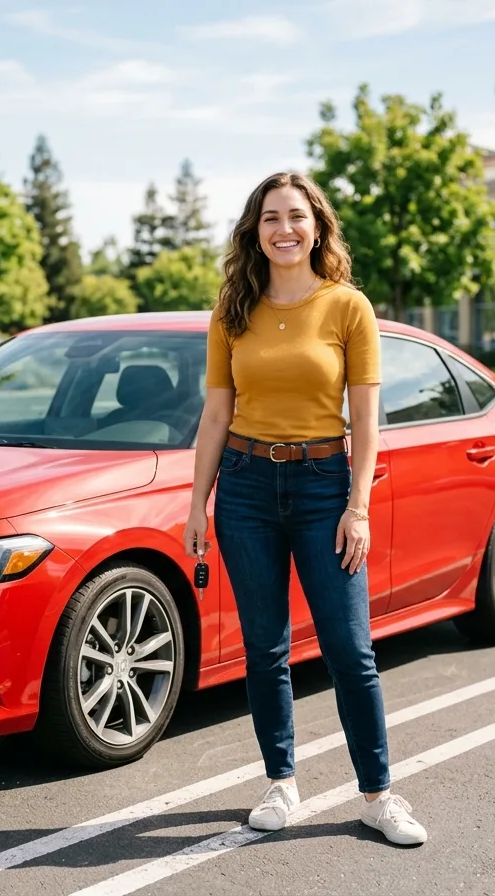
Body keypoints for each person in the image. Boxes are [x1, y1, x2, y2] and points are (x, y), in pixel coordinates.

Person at [182, 171, 427, 846]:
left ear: (316, 226)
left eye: (295, 216)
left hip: (325, 486)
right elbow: (215, 414)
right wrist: (198, 503)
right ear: (253, 231)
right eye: (269, 218)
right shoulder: (232, 310)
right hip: (245, 486)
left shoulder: (348, 307)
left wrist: (359, 506)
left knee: (351, 650)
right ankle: (281, 783)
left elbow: (368, 420)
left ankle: (378, 796)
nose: (283, 229)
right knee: (265, 650)